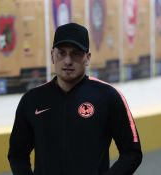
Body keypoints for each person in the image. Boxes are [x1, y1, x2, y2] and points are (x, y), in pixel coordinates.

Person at [8, 23, 142, 175]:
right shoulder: (32, 100)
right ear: (52, 55)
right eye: (61, 53)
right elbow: (17, 155)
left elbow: (132, 153)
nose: (68, 61)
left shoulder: (108, 97)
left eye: (76, 53)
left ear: (88, 58)